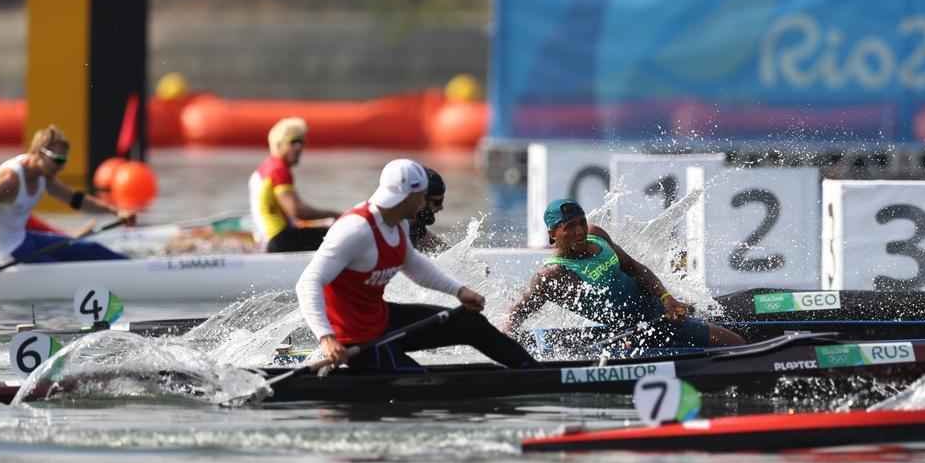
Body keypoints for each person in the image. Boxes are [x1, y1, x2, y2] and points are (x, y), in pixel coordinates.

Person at [295, 158, 535, 370]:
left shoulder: (398, 222)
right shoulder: (356, 230)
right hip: (352, 338)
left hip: (380, 320)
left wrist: (459, 291)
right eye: (422, 197)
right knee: (418, 383)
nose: (425, 204)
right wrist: (326, 338)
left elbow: (414, 265)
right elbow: (308, 283)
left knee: (468, 323)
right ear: (407, 197)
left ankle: (534, 373)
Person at [504, 198, 745, 353]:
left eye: (581, 222)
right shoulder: (553, 274)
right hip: (639, 330)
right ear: (553, 233)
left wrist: (666, 297)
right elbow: (517, 313)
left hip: (661, 311)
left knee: (731, 336)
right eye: (569, 227)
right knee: (737, 345)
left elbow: (635, 268)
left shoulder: (597, 234)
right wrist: (505, 344)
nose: (579, 231)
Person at [0, 125, 131, 280]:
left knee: (93, 250)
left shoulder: (43, 175)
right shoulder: (9, 180)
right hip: (4, 253)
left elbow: (75, 199)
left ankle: (136, 266)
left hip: (24, 239)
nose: (61, 166)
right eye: (58, 160)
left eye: (64, 161)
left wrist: (116, 211)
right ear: (40, 153)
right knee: (59, 269)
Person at [248, 117, 341, 253]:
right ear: (279, 144)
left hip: (267, 239)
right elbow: (297, 211)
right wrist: (334, 214)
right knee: (340, 234)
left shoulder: (264, 168)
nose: (299, 147)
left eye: (301, 142)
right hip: (280, 241)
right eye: (293, 142)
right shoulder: (279, 170)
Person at [409, 165, 448, 254]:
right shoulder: (402, 229)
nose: (441, 208)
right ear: (419, 199)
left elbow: (448, 253)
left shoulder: (416, 227)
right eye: (437, 202)